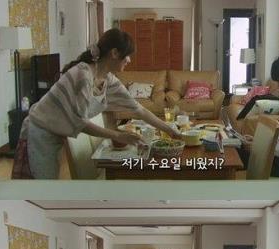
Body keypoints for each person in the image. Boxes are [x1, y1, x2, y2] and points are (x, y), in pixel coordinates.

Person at [12, 28, 181, 179]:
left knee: (46, 189)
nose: (129, 60)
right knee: (38, 192)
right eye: (127, 55)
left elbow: (139, 110)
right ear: (114, 53)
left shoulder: (108, 79)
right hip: (38, 134)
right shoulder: (83, 75)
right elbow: (81, 123)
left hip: (54, 136)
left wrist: (170, 130)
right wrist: (118, 135)